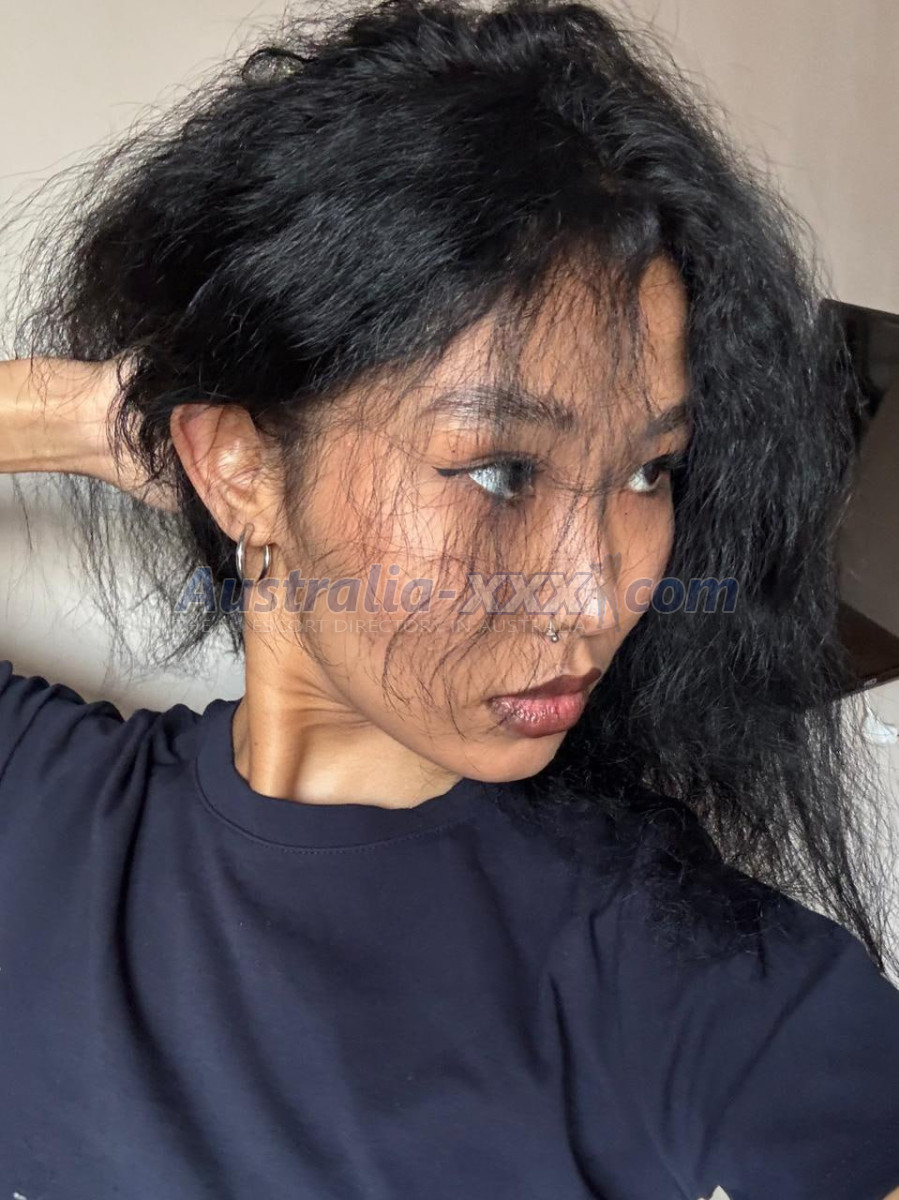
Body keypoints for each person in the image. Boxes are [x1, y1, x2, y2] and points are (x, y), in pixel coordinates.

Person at [1, 1, 898, 1197]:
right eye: (500, 470)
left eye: (649, 471)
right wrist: (117, 420)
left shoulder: (671, 968)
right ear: (238, 464)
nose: (598, 593)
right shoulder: (39, 806)